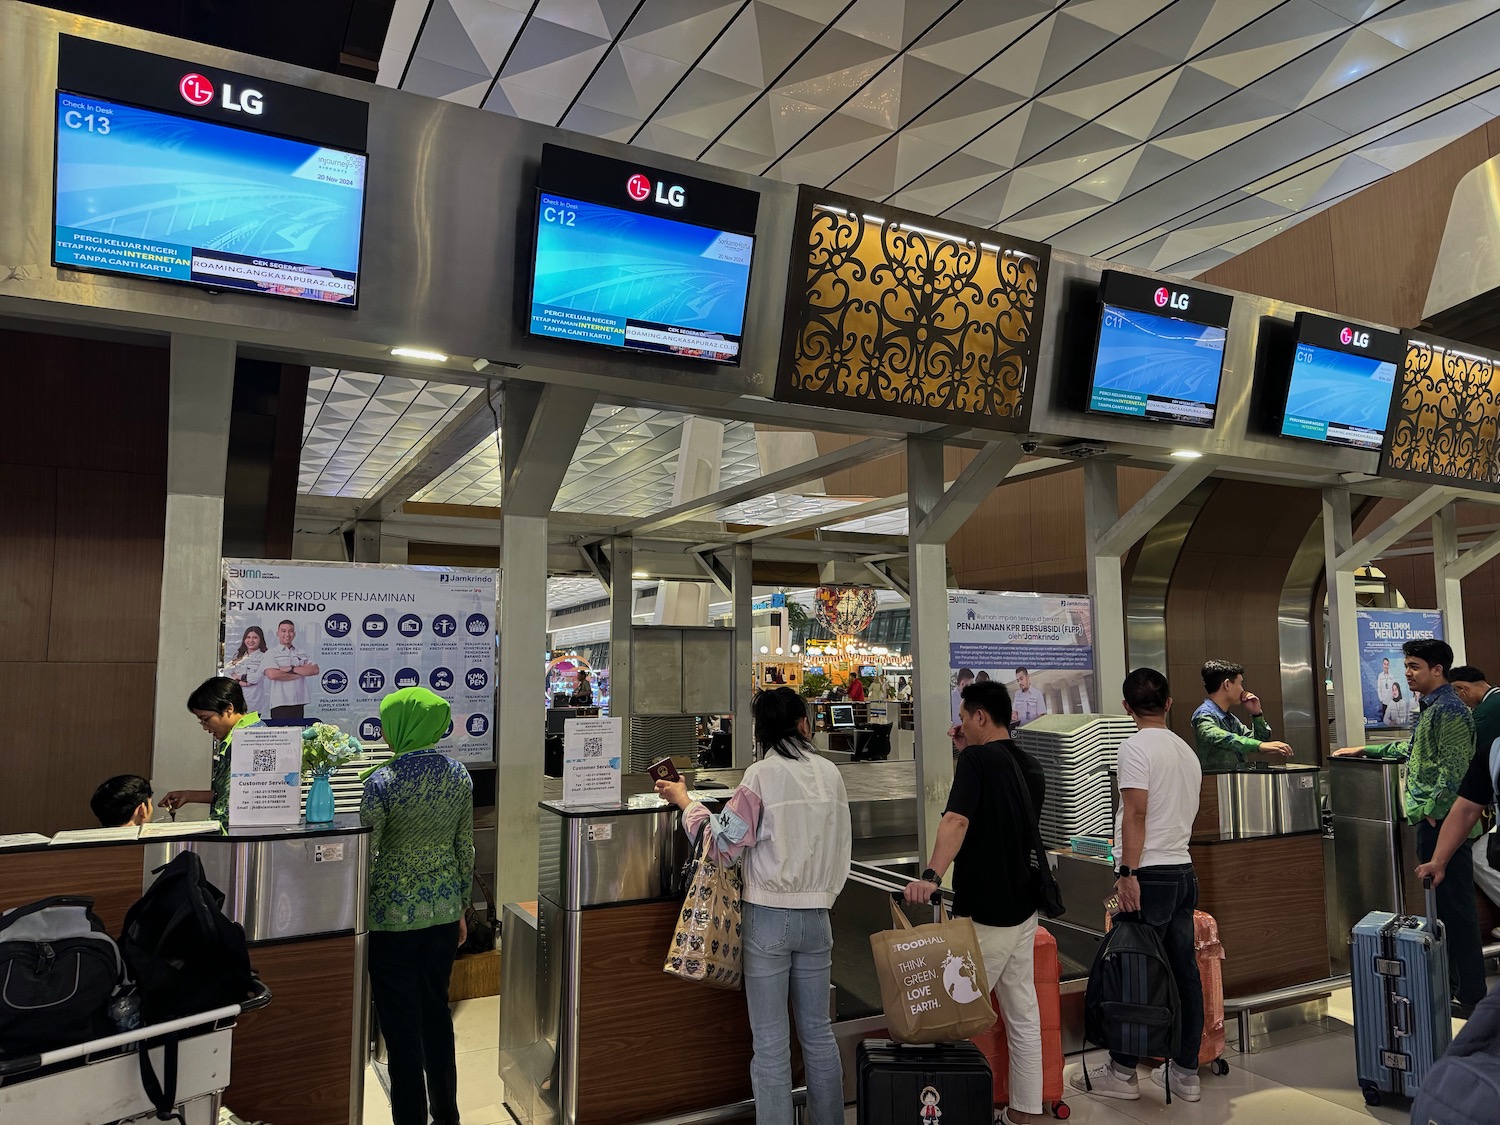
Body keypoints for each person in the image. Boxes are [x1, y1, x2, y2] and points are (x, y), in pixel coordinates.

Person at [656, 687, 851, 1125]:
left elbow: (722, 845)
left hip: (767, 917)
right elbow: (842, 845)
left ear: (762, 731)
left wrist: (686, 802)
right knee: (819, 1035)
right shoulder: (830, 774)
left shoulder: (760, 776)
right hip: (819, 919)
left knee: (770, 1042)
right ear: (803, 724)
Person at [904, 679, 1045, 1125]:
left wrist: (931, 875)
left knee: (950, 1015)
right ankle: (1023, 1110)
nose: (960, 724)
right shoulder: (1029, 764)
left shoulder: (979, 761)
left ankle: (943, 1111)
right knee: (1022, 1012)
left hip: (987, 910)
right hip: (1024, 907)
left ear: (980, 716)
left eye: (964, 717)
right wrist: (965, 752)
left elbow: (958, 818)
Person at [1071, 668, 1205, 1102]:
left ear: (1127, 707)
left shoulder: (1134, 747)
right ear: (1168, 703)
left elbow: (1136, 814)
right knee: (1185, 973)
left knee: (1136, 970)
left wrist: (1127, 873)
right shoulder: (1186, 750)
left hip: (1148, 874)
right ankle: (1186, 1074)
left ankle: (1123, 1072)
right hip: (1184, 871)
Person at [1337, 639, 1485, 1016]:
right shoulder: (1431, 708)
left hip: (1443, 823)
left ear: (1438, 670)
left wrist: (1434, 811)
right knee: (1443, 909)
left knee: (1456, 909)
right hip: (1431, 819)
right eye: (1406, 665)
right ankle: (1454, 987)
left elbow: (1455, 769)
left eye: (1415, 666)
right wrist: (1364, 750)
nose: (1407, 672)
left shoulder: (1450, 710)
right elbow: (1413, 750)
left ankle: (1471, 995)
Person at [361, 687, 474, 1125]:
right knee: (436, 1015)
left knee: (400, 1026)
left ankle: (410, 1119)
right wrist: (462, 907)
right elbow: (464, 847)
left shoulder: (381, 782)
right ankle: (447, 1114)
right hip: (444, 913)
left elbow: (368, 854)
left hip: (390, 920)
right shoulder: (459, 776)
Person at [160, 677, 262, 827]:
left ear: (228, 708)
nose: (205, 727)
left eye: (206, 719)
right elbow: (228, 793)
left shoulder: (251, 739)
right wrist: (188, 795)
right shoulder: (236, 738)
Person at [1190, 660, 1293, 769]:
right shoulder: (1203, 714)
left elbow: (1259, 740)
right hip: (1215, 783)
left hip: (1233, 781)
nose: (1242, 689)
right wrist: (1260, 746)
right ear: (1227, 685)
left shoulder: (1230, 718)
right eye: (1240, 683)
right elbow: (1222, 738)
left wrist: (1257, 715)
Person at [263, 619, 319, 719]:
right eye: (283, 631)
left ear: (294, 633)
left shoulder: (301, 653)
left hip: (299, 703)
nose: (287, 634)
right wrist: (300, 673)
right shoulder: (271, 653)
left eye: (291, 631)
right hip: (280, 704)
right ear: (278, 633)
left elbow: (314, 670)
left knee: (297, 733)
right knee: (280, 734)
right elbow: (272, 675)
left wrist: (290, 668)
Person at [225, 625, 270, 715]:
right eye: (248, 637)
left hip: (254, 703)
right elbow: (227, 673)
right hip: (237, 702)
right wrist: (242, 683)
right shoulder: (238, 656)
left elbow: (255, 678)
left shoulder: (265, 657)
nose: (251, 640)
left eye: (255, 637)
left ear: (260, 639)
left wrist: (237, 676)